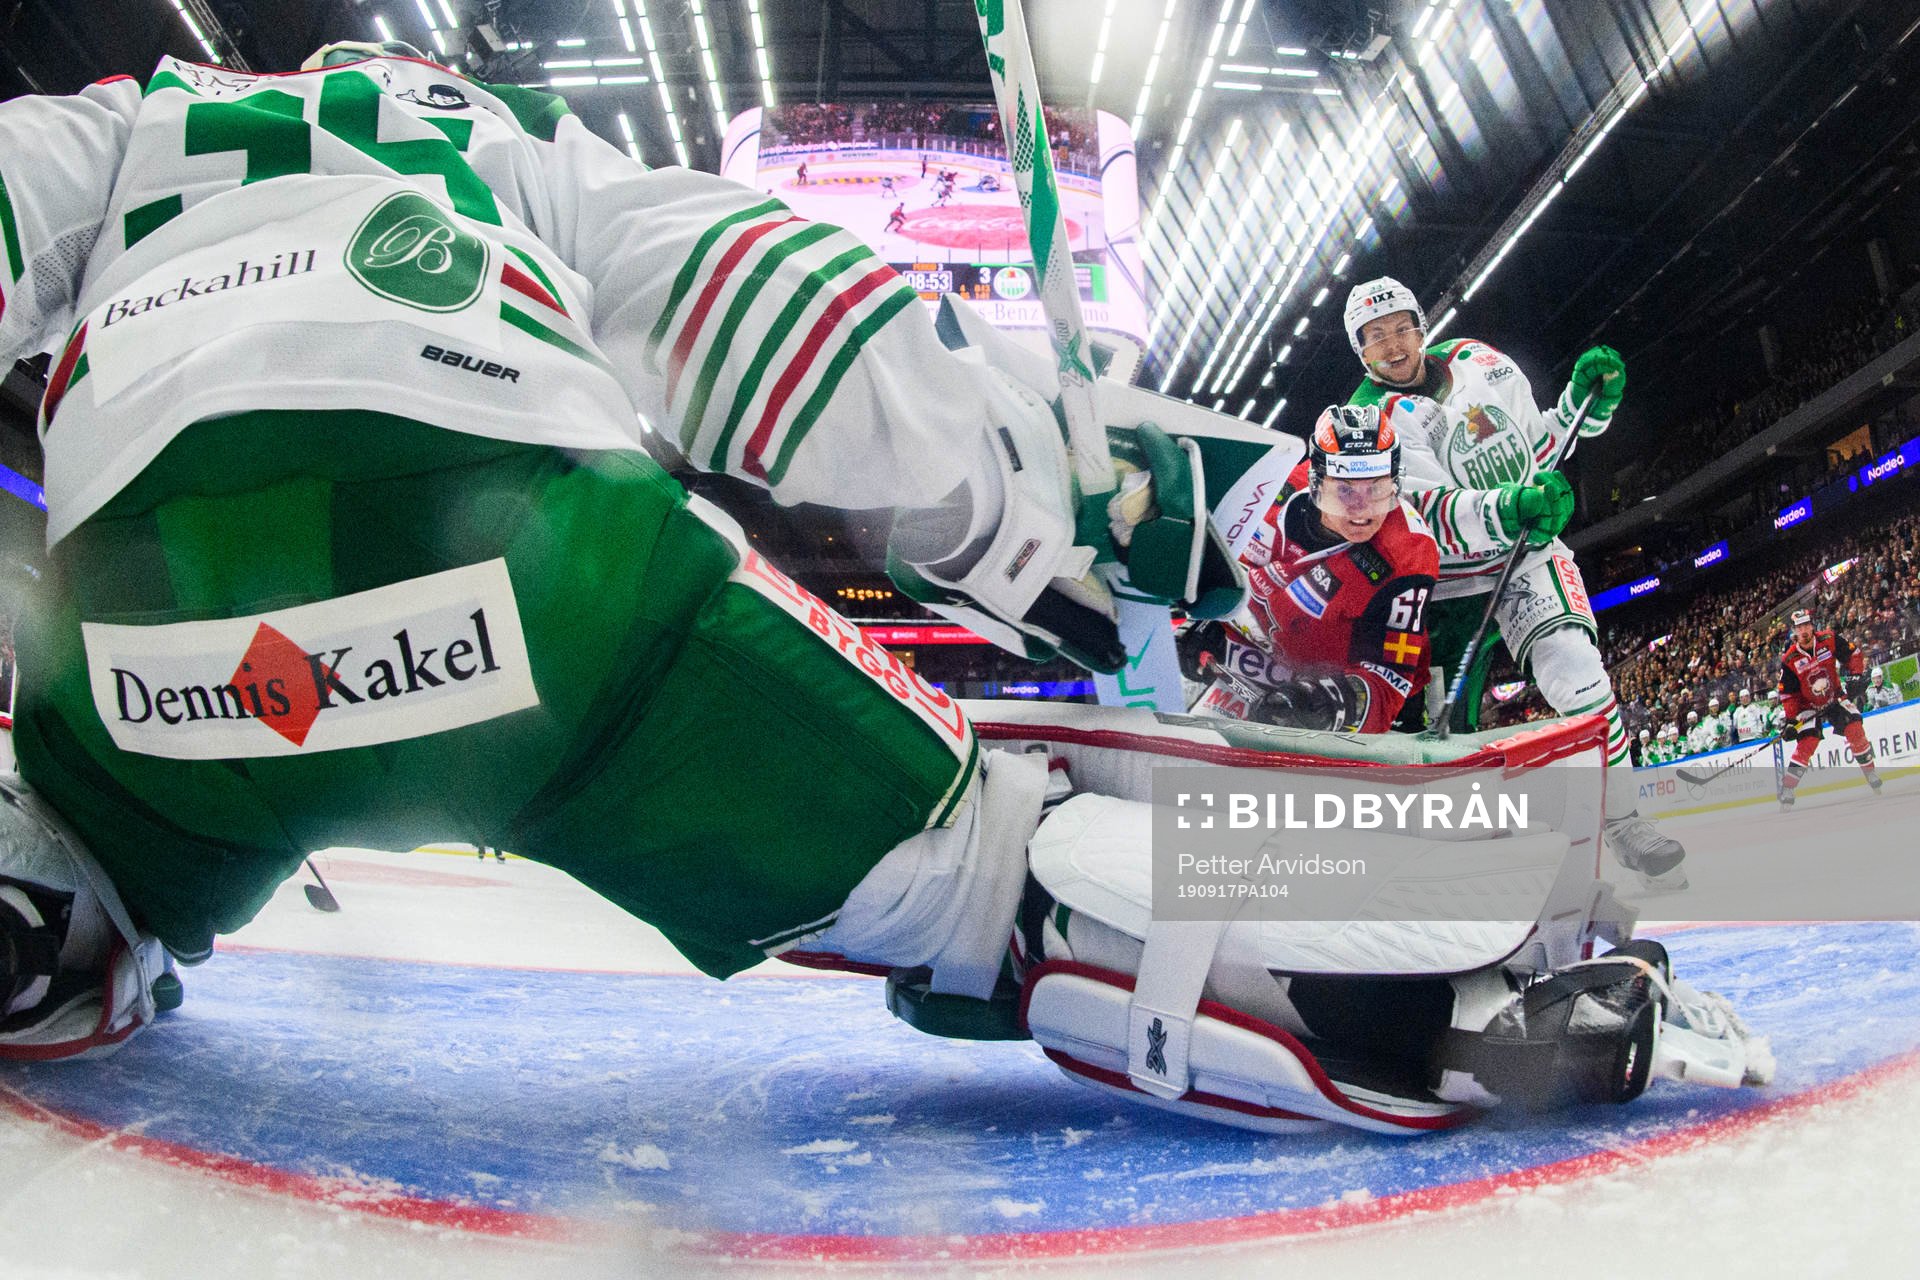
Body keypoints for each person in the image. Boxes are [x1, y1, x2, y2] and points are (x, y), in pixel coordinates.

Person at [0, 40, 1765, 1127]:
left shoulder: (123, 129)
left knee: (73, 835)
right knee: (988, 876)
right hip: (522, 569)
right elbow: (793, 326)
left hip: (149, 647)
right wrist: (1072, 531)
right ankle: (1463, 1011)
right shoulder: (516, 146)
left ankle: (45, 909)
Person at [1342, 277, 1687, 891]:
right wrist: (1511, 507)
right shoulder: (1364, 422)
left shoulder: (1482, 362)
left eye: (1400, 327)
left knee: (1578, 671)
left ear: (1422, 326)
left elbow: (1538, 453)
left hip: (1524, 554)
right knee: (1440, 736)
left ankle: (1626, 821)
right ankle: (1444, 867)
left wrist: (1586, 405)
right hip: (1435, 585)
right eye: (1375, 337)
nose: (1392, 345)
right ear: (1360, 351)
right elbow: (1421, 518)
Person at [1185, 404, 1438, 733]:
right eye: (1344, 490)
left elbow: (1388, 681)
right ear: (1317, 483)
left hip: (1340, 698)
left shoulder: (1408, 552)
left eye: (1376, 489)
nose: (1361, 511)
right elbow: (1219, 560)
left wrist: (1330, 703)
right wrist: (1202, 625)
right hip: (1256, 666)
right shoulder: (1271, 485)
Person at [1776, 607, 1882, 807]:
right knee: (1807, 743)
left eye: (1807, 625)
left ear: (1812, 624)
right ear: (1794, 631)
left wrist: (1856, 675)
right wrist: (1792, 721)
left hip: (1835, 697)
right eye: (1800, 627)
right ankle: (1788, 788)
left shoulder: (1829, 638)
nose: (1804, 630)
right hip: (1808, 706)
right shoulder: (1789, 659)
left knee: (1855, 728)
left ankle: (1871, 774)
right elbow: (1789, 694)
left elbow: (1853, 654)